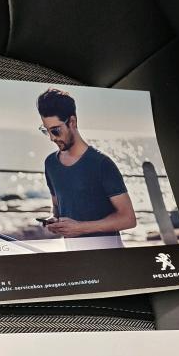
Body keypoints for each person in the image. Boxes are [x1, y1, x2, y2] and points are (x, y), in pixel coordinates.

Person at [37, 88, 136, 250]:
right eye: (46, 131)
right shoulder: (50, 164)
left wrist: (80, 228)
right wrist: (54, 221)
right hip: (75, 256)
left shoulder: (101, 164)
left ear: (72, 122)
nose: (52, 138)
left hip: (111, 257)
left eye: (55, 131)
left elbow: (128, 219)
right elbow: (57, 208)